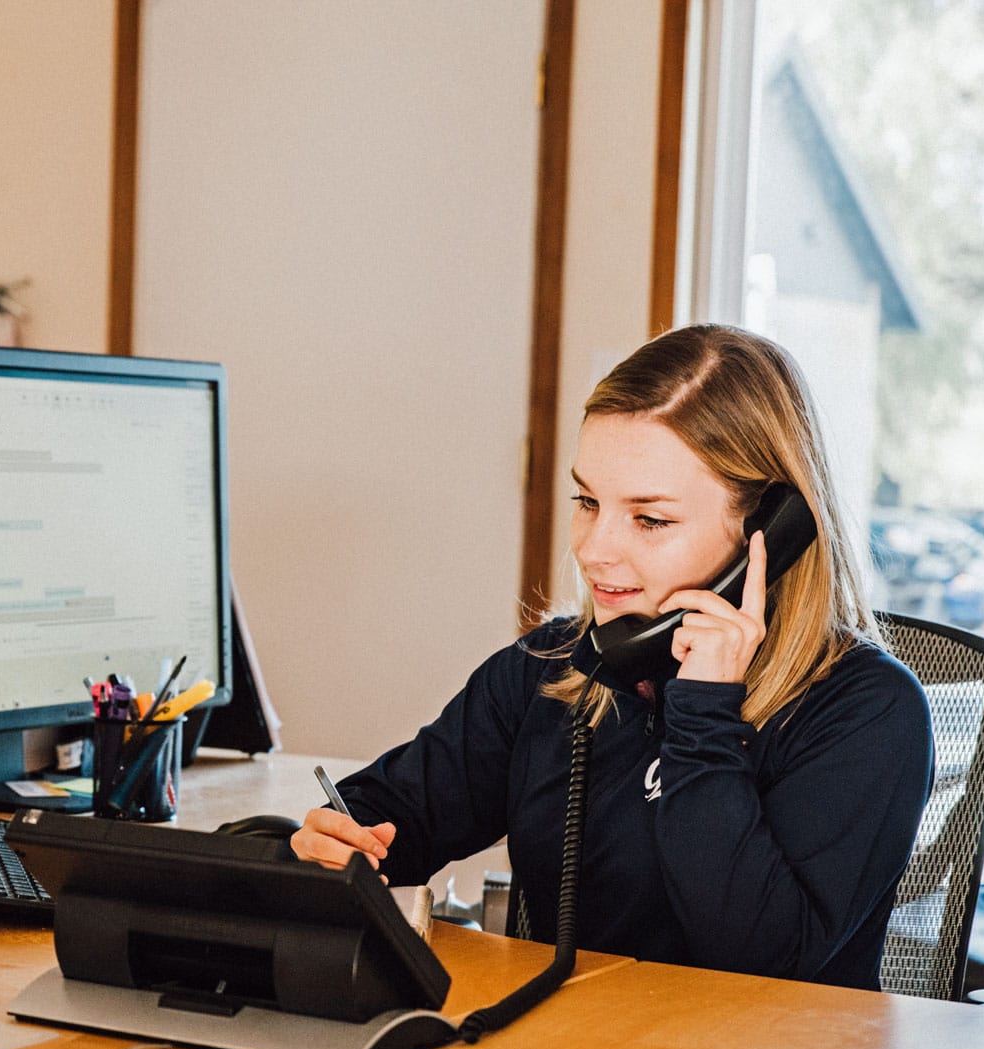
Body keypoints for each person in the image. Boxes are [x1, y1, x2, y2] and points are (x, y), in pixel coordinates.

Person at [291, 324, 932, 990]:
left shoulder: (867, 713)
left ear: (770, 533)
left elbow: (757, 967)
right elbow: (393, 817)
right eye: (588, 502)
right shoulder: (553, 670)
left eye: (648, 519)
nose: (595, 549)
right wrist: (339, 840)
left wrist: (706, 716)